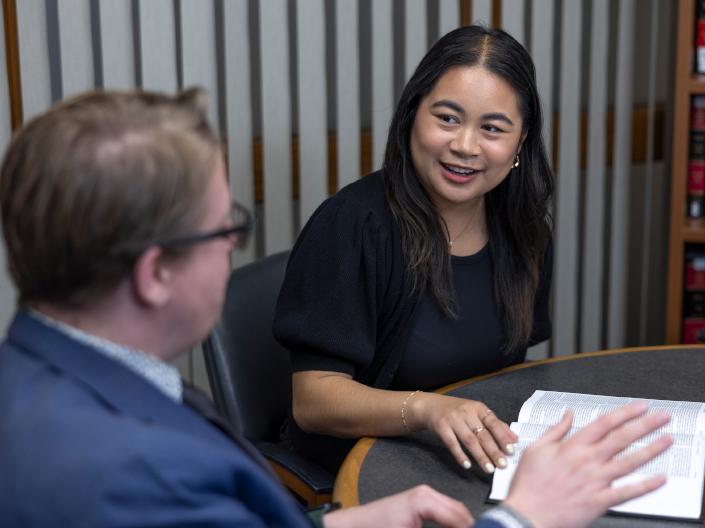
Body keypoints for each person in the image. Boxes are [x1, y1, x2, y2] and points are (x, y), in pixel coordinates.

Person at [0, 88, 672, 528]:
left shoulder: (58, 382)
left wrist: (335, 524)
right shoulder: (126, 474)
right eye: (226, 229)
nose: (235, 249)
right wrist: (525, 517)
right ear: (155, 273)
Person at [274, 25, 552, 474]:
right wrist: (428, 410)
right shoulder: (352, 225)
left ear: (520, 142)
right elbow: (313, 400)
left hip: (466, 464)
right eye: (447, 118)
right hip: (359, 469)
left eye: (493, 128)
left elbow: (508, 367)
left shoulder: (523, 230)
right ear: (411, 116)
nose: (464, 146)